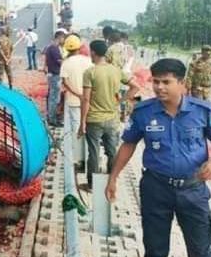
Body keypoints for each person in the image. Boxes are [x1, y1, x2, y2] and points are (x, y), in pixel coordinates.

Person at [105, 58, 211, 257]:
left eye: (166, 82)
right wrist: (113, 177)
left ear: (181, 84)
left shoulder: (203, 111)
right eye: (156, 81)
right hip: (156, 189)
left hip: (193, 191)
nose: (159, 87)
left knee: (201, 253)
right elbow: (128, 144)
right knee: (155, 250)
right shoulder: (143, 112)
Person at [80, 40, 139, 188]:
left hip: (94, 119)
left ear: (93, 52)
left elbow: (86, 99)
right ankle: (112, 180)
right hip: (112, 119)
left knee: (93, 152)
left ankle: (92, 184)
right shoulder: (116, 70)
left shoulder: (90, 72)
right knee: (112, 151)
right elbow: (135, 87)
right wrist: (120, 101)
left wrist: (82, 123)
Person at [61, 34, 92, 167]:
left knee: (77, 128)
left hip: (74, 101)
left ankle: (79, 159)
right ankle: (88, 156)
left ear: (67, 49)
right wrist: (84, 95)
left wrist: (77, 94)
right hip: (89, 100)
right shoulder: (88, 61)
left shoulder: (66, 63)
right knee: (88, 126)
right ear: (79, 47)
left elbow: (65, 82)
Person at [44, 30, 67, 127]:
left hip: (53, 74)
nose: (64, 41)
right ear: (60, 37)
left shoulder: (51, 47)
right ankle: (52, 119)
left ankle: (51, 117)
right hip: (55, 75)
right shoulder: (54, 48)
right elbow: (60, 61)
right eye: (63, 38)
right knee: (54, 98)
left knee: (53, 97)